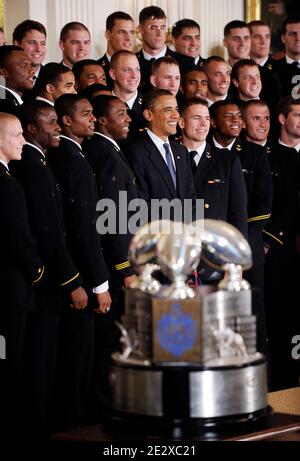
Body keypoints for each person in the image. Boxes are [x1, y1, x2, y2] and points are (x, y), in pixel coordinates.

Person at [10, 101, 88, 438]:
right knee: (35, 370)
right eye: (52, 122)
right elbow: (45, 232)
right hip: (34, 287)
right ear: (30, 131)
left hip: (36, 284)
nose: (58, 127)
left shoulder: (38, 163)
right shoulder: (31, 169)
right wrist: (57, 278)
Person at [47, 94, 111, 430]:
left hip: (71, 276)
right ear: (66, 121)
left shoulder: (67, 155)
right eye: (85, 114)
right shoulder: (74, 161)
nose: (94, 119)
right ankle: (75, 429)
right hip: (81, 280)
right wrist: (99, 284)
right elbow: (85, 228)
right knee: (79, 362)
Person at [84, 94, 137, 414]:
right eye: (121, 114)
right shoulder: (105, 155)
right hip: (113, 267)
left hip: (114, 264)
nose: (128, 119)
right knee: (109, 345)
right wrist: (126, 269)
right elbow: (113, 219)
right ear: (103, 121)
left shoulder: (110, 151)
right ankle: (105, 414)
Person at [0, 112, 44, 438]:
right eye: (16, 135)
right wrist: (38, 272)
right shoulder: (7, 186)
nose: (24, 141)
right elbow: (19, 241)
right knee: (10, 369)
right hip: (9, 294)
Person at [179, 97, 248, 285]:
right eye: (196, 118)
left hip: (215, 261)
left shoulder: (227, 160)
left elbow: (238, 215)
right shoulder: (170, 158)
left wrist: (236, 263)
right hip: (177, 258)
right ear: (182, 122)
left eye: (207, 118)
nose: (203, 124)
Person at [263, 96, 300, 390]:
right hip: (279, 251)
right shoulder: (270, 154)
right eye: (297, 115)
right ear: (282, 119)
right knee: (281, 318)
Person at [125, 89, 196, 223]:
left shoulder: (181, 151)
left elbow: (190, 198)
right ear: (148, 115)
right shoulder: (135, 152)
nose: (176, 115)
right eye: (168, 110)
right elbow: (139, 203)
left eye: (176, 109)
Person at [240, 100, 273, 354]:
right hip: (242, 247)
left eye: (266, 118)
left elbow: (266, 205)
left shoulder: (265, 153)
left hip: (257, 244)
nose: (263, 124)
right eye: (256, 119)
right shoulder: (236, 154)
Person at [136, 6, 172, 94]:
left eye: (162, 28)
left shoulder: (183, 62)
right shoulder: (133, 62)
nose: (159, 34)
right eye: (153, 28)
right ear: (141, 30)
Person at [109, 50, 144, 140]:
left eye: (137, 69)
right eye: (127, 70)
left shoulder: (150, 105)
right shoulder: (104, 106)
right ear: (113, 74)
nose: (134, 75)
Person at [98, 11, 136, 88]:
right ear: (108, 35)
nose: (128, 38)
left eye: (132, 32)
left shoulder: (143, 67)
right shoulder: (97, 69)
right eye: (122, 32)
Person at [0, 45, 35, 114]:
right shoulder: (5, 107)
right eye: (25, 66)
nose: (32, 71)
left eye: (31, 65)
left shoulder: (16, 101)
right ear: (4, 72)